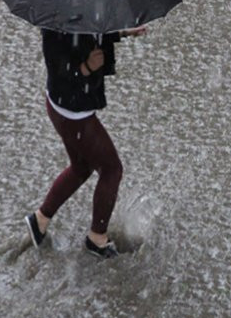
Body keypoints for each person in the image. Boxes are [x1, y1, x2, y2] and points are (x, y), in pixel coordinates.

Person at [24, 25, 147, 258]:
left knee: (81, 167)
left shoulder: (79, 12)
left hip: (62, 107)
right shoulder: (56, 24)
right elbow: (59, 67)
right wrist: (86, 67)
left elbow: (90, 34)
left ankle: (40, 219)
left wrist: (122, 33)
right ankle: (97, 238)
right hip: (73, 113)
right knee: (112, 169)